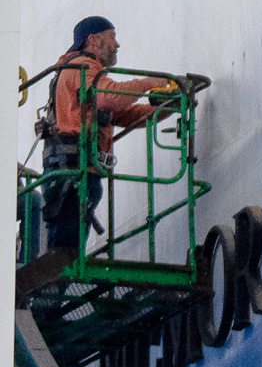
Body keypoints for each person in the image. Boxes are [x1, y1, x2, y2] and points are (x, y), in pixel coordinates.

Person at [41, 16, 171, 254]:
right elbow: (110, 97)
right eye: (112, 37)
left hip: (76, 173)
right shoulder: (81, 67)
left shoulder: (84, 75)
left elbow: (124, 115)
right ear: (93, 40)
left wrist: (166, 108)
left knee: (67, 249)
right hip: (72, 174)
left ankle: (58, 280)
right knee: (65, 254)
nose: (117, 45)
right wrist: (149, 83)